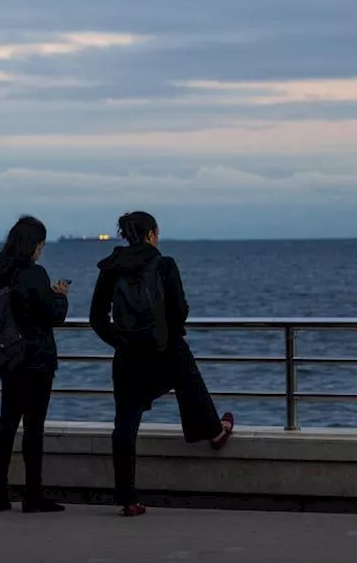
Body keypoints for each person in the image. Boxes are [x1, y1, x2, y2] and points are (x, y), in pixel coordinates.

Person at [89, 211, 235, 517]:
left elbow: (97, 318)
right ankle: (213, 430)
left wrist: (120, 340)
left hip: (128, 353)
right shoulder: (164, 263)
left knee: (126, 422)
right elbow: (179, 309)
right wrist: (165, 334)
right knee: (188, 376)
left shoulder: (111, 268)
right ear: (152, 234)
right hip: (164, 349)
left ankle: (128, 499)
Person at [0, 216, 70, 513]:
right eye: (41, 244)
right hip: (36, 359)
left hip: (9, 357)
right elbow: (50, 315)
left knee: (6, 423)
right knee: (34, 428)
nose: (42, 250)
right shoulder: (34, 274)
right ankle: (32, 495)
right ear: (34, 244)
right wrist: (60, 297)